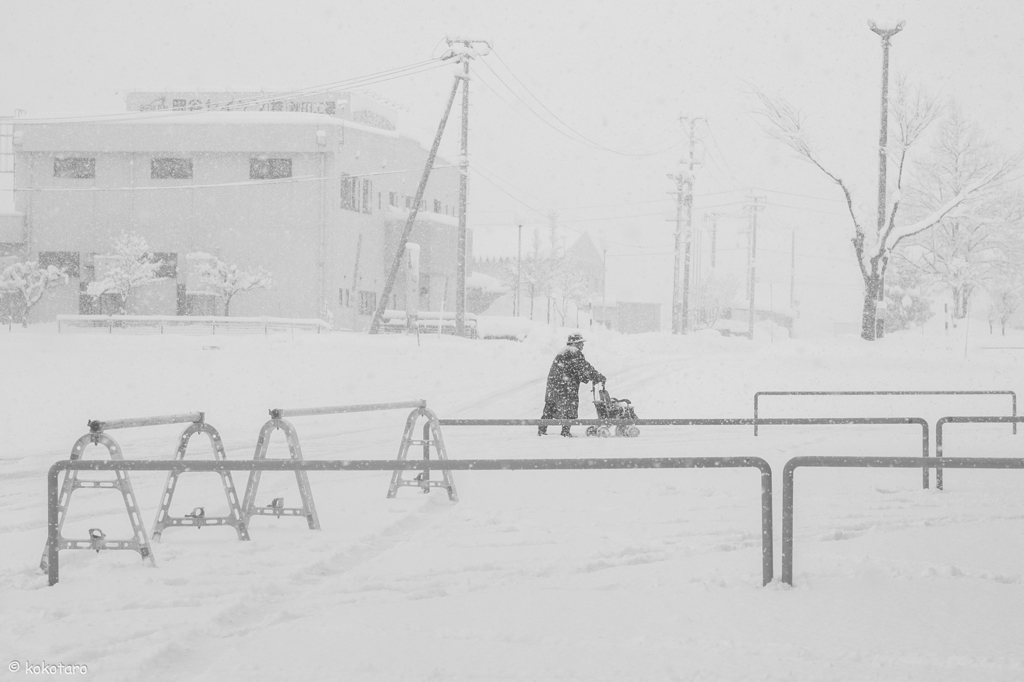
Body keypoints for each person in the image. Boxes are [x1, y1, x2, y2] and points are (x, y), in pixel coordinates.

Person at [539, 333, 606, 437]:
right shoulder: (574, 352)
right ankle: (565, 432)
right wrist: (597, 376)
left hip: (554, 385)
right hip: (566, 386)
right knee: (569, 407)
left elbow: (578, 369)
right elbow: (583, 368)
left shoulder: (563, 351)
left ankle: (542, 430)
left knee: (550, 406)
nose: (583, 346)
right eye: (581, 343)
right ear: (576, 343)